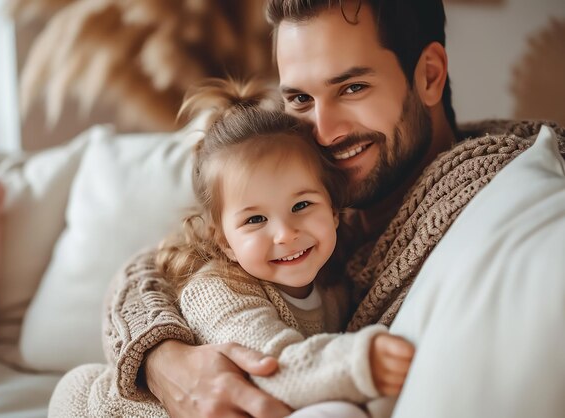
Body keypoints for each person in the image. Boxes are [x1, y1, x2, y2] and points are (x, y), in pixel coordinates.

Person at [49, 1, 564, 417]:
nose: (323, 130)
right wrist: (162, 358)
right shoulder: (298, 178)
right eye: (299, 98)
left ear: (428, 75)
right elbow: (162, 262)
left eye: (352, 87)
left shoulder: (498, 177)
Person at [151, 77, 414, 417]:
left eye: (302, 206)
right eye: (255, 220)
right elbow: (272, 367)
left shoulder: (335, 284)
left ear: (334, 210)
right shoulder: (217, 291)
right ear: (224, 241)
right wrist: (360, 361)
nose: (285, 234)